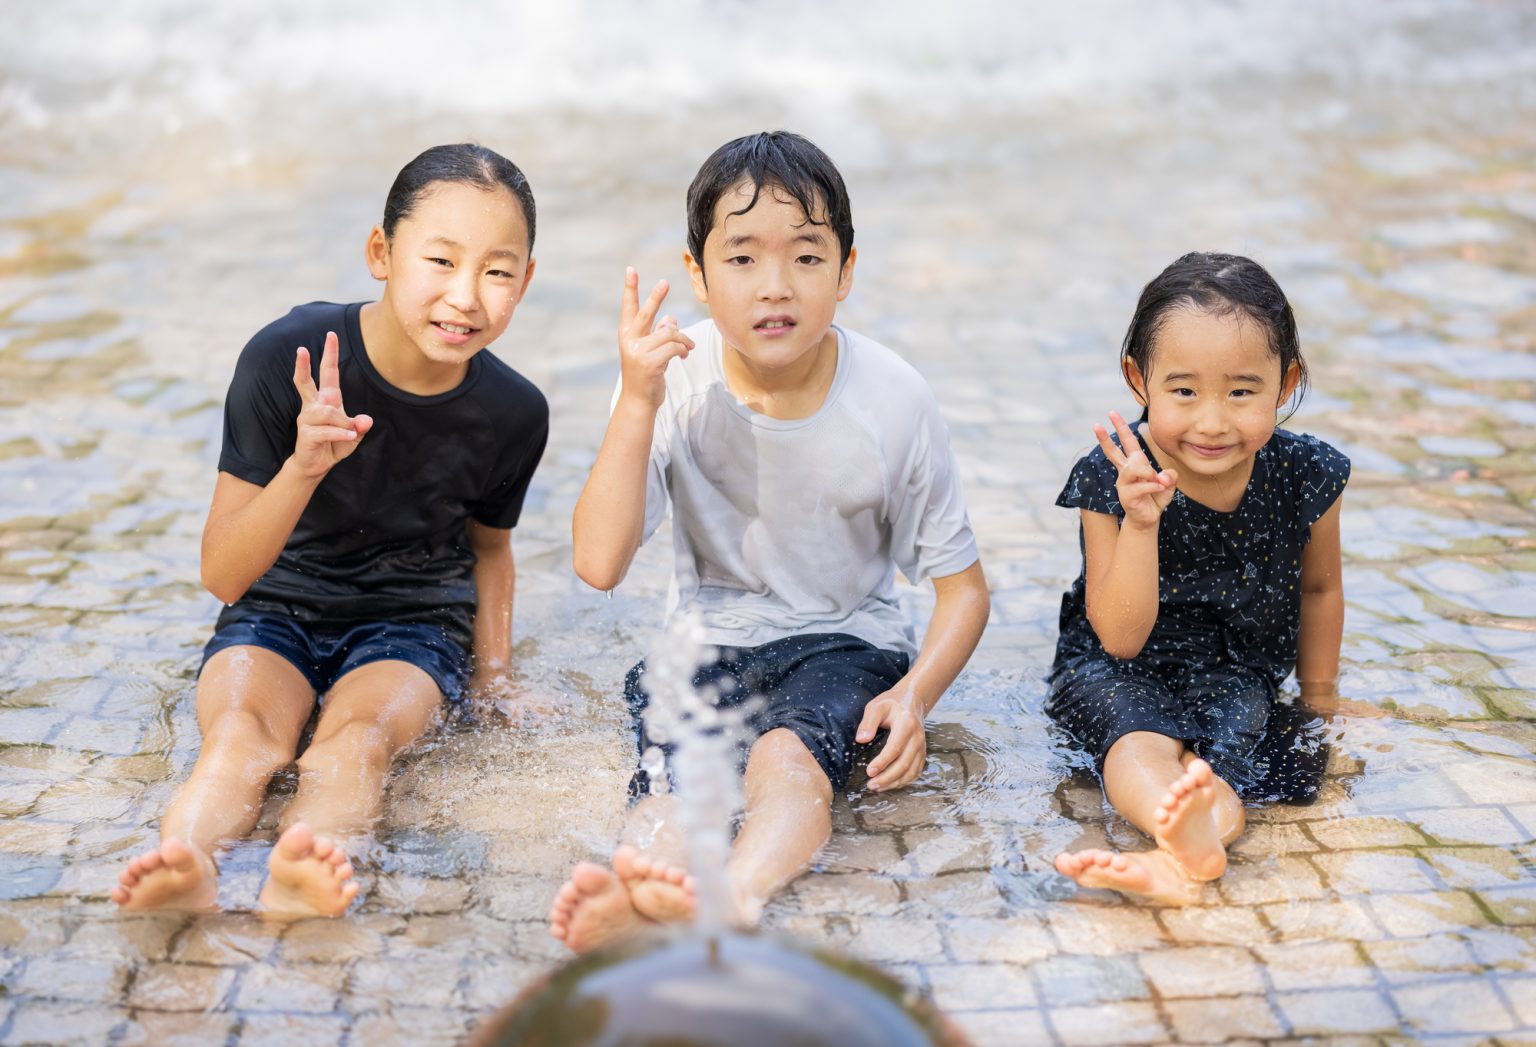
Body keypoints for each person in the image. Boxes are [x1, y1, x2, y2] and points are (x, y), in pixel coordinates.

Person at [548, 131, 990, 952]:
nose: (775, 286)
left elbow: (963, 589)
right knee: (673, 785)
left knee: (787, 762)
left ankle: (739, 895)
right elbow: (598, 563)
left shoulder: (893, 398)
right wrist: (637, 401)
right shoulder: (670, 378)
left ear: (847, 271)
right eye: (743, 258)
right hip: (705, 643)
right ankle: (641, 892)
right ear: (699, 275)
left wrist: (914, 696)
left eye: (807, 257)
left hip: (844, 642)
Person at [112, 144, 548, 919]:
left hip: (413, 625)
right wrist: (305, 465)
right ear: (382, 253)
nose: (465, 296)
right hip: (273, 608)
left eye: (497, 271)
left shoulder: (515, 412)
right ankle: (187, 866)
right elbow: (223, 574)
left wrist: (495, 675)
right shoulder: (290, 356)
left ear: (527, 280)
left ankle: (307, 870)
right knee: (243, 736)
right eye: (440, 260)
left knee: (355, 743)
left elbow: (491, 551)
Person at [1048, 251, 1349, 902]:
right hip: (1115, 667)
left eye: (1242, 391)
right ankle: (1173, 830)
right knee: (1135, 740)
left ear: (1286, 383)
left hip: (1236, 668)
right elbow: (1120, 637)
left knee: (1223, 768)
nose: (1212, 421)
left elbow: (1320, 588)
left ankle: (1191, 849)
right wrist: (1140, 522)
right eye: (1184, 391)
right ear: (1139, 380)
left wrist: (1321, 696)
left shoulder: (1306, 474)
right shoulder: (1112, 474)